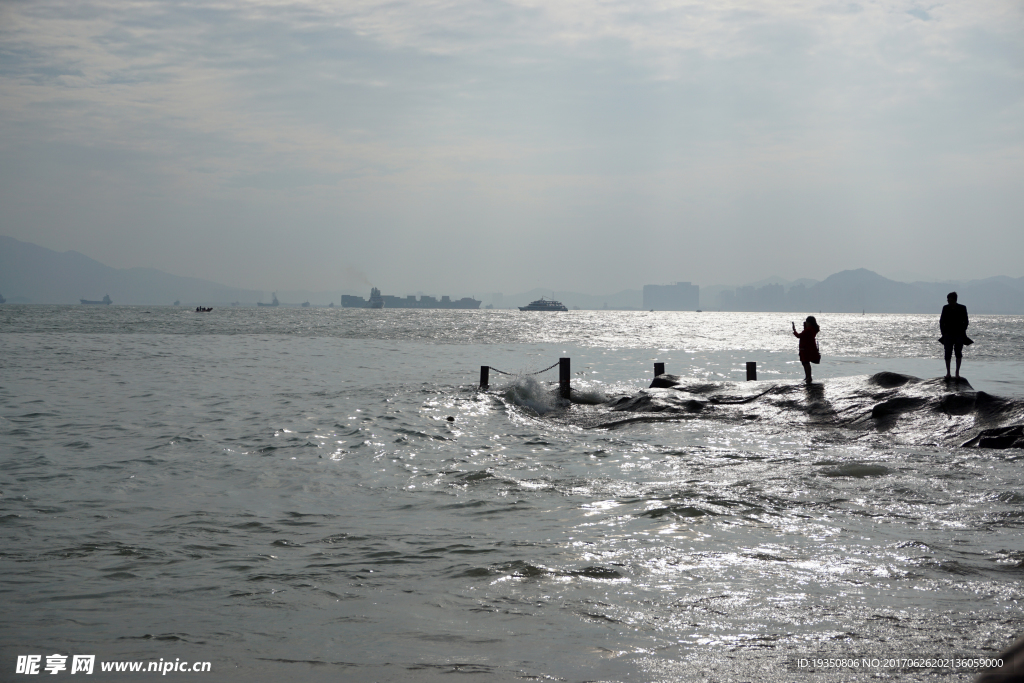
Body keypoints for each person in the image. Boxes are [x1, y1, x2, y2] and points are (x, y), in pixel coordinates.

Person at [939, 292, 971, 380]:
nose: (949, 302)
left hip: (959, 334)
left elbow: (966, 321)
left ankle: (957, 372)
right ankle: (948, 372)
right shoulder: (945, 308)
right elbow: (941, 321)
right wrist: (943, 333)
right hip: (948, 334)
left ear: (955, 300)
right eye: (948, 300)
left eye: (951, 300)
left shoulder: (962, 308)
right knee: (947, 353)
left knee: (958, 353)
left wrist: (962, 331)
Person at [792, 316, 820, 383]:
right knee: (805, 362)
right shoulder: (812, 329)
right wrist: (805, 326)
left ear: (809, 322)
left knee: (806, 362)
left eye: (807, 322)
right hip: (807, 347)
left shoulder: (809, 329)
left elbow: (799, 335)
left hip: (806, 348)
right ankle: (807, 377)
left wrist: (794, 330)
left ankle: (808, 377)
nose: (806, 323)